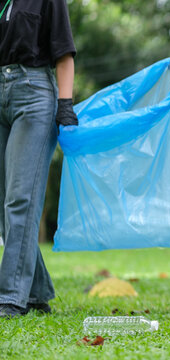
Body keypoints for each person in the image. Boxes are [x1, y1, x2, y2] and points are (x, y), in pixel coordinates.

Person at [0, 0, 78, 317]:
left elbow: (64, 52)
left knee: (21, 198)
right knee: (5, 200)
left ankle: (9, 297)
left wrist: (65, 105)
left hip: (33, 96)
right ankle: (36, 291)